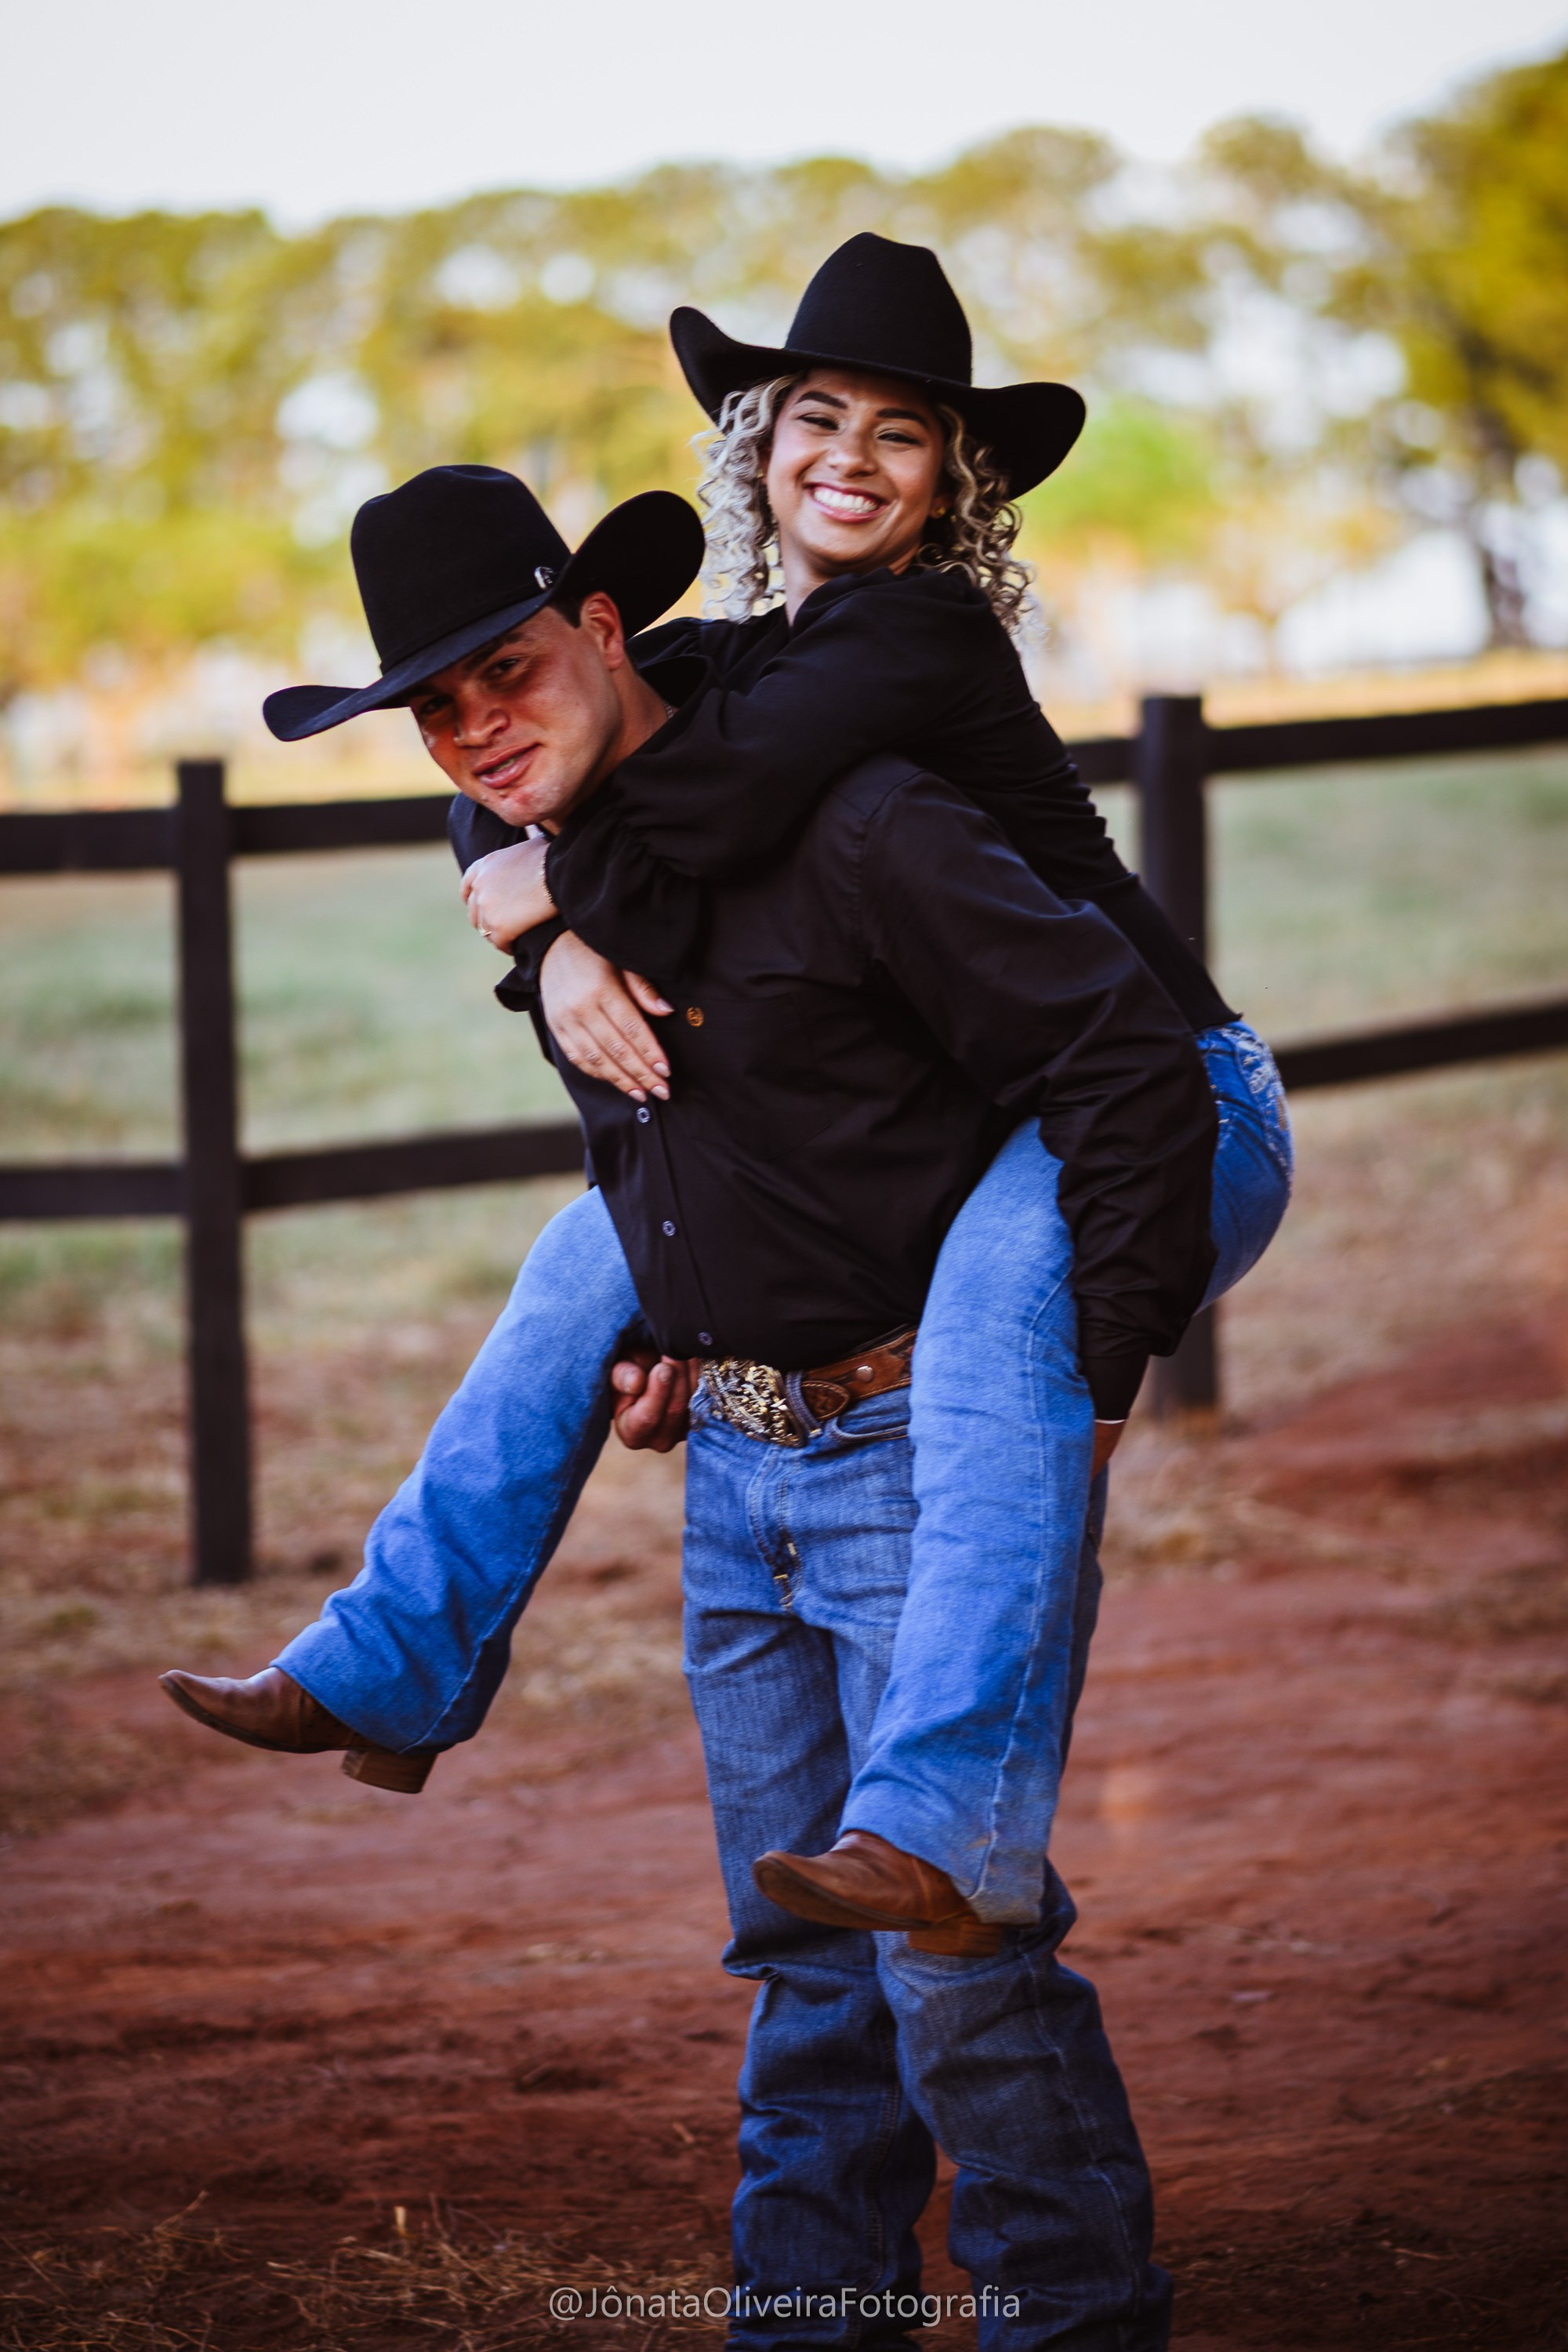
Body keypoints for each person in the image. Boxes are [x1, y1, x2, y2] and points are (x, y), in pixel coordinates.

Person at [162, 238, 1290, 1959]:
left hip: (1158, 1090)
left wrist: (551, 897)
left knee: (1003, 1335)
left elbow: (704, 793)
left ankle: (942, 1826)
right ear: (760, 447)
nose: (852, 457)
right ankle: (389, 1659)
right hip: (1018, 1090)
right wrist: (552, 942)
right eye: (817, 417)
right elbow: (535, 744)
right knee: (577, 1262)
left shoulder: (913, 633)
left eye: (902, 433)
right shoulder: (762, 647)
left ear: (952, 481)